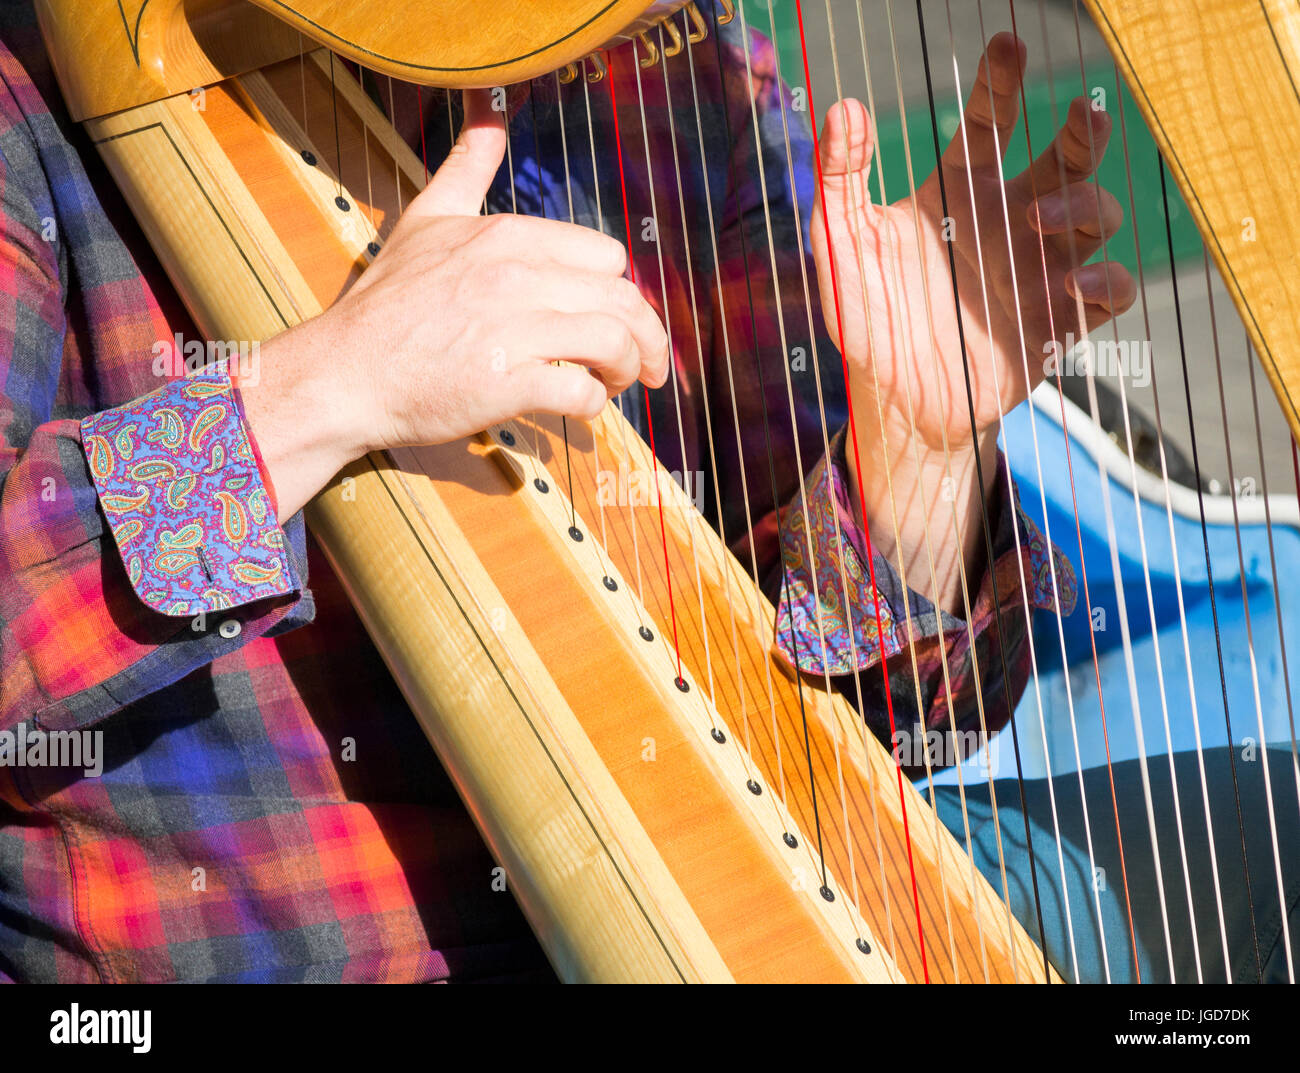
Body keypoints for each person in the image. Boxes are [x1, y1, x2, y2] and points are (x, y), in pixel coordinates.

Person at [1, 0, 1139, 982]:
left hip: (690, 885)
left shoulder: (683, 81)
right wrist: (320, 389)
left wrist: (919, 461)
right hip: (304, 948)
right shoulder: (27, 111)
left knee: (1070, 898)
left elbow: (861, 726)